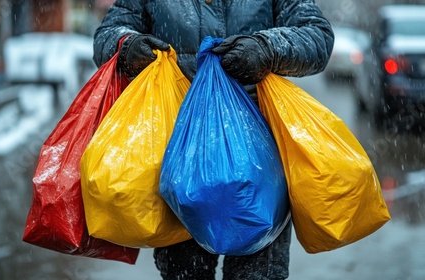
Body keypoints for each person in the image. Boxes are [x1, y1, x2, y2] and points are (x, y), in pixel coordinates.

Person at [92, 1, 334, 279]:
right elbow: (108, 35)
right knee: (186, 273)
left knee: (257, 274)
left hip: (259, 165)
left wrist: (268, 48)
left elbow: (317, 35)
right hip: (178, 163)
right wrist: (126, 47)